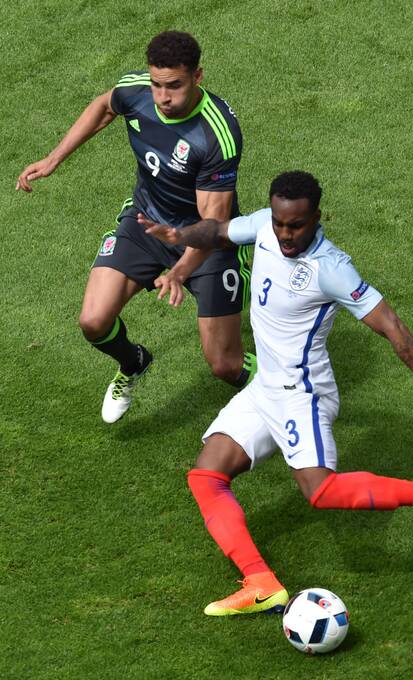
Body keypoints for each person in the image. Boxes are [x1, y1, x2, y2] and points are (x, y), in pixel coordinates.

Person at [138, 170, 413, 617]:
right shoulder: (263, 227)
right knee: (207, 477)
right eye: (279, 223)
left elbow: (392, 328)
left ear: (316, 218)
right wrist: (178, 234)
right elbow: (216, 231)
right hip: (264, 389)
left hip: (302, 393)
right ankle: (261, 583)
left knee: (321, 491)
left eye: (297, 225)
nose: (286, 234)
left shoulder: (331, 269)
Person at [16, 31, 254, 424]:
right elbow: (104, 107)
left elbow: (213, 225)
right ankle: (134, 362)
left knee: (225, 365)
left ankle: (287, 387)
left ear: (198, 76)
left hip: (208, 244)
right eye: (157, 84)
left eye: (174, 86)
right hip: (145, 221)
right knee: (94, 322)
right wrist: (54, 158)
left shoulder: (216, 134)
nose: (163, 97)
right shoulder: (137, 90)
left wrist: (178, 271)